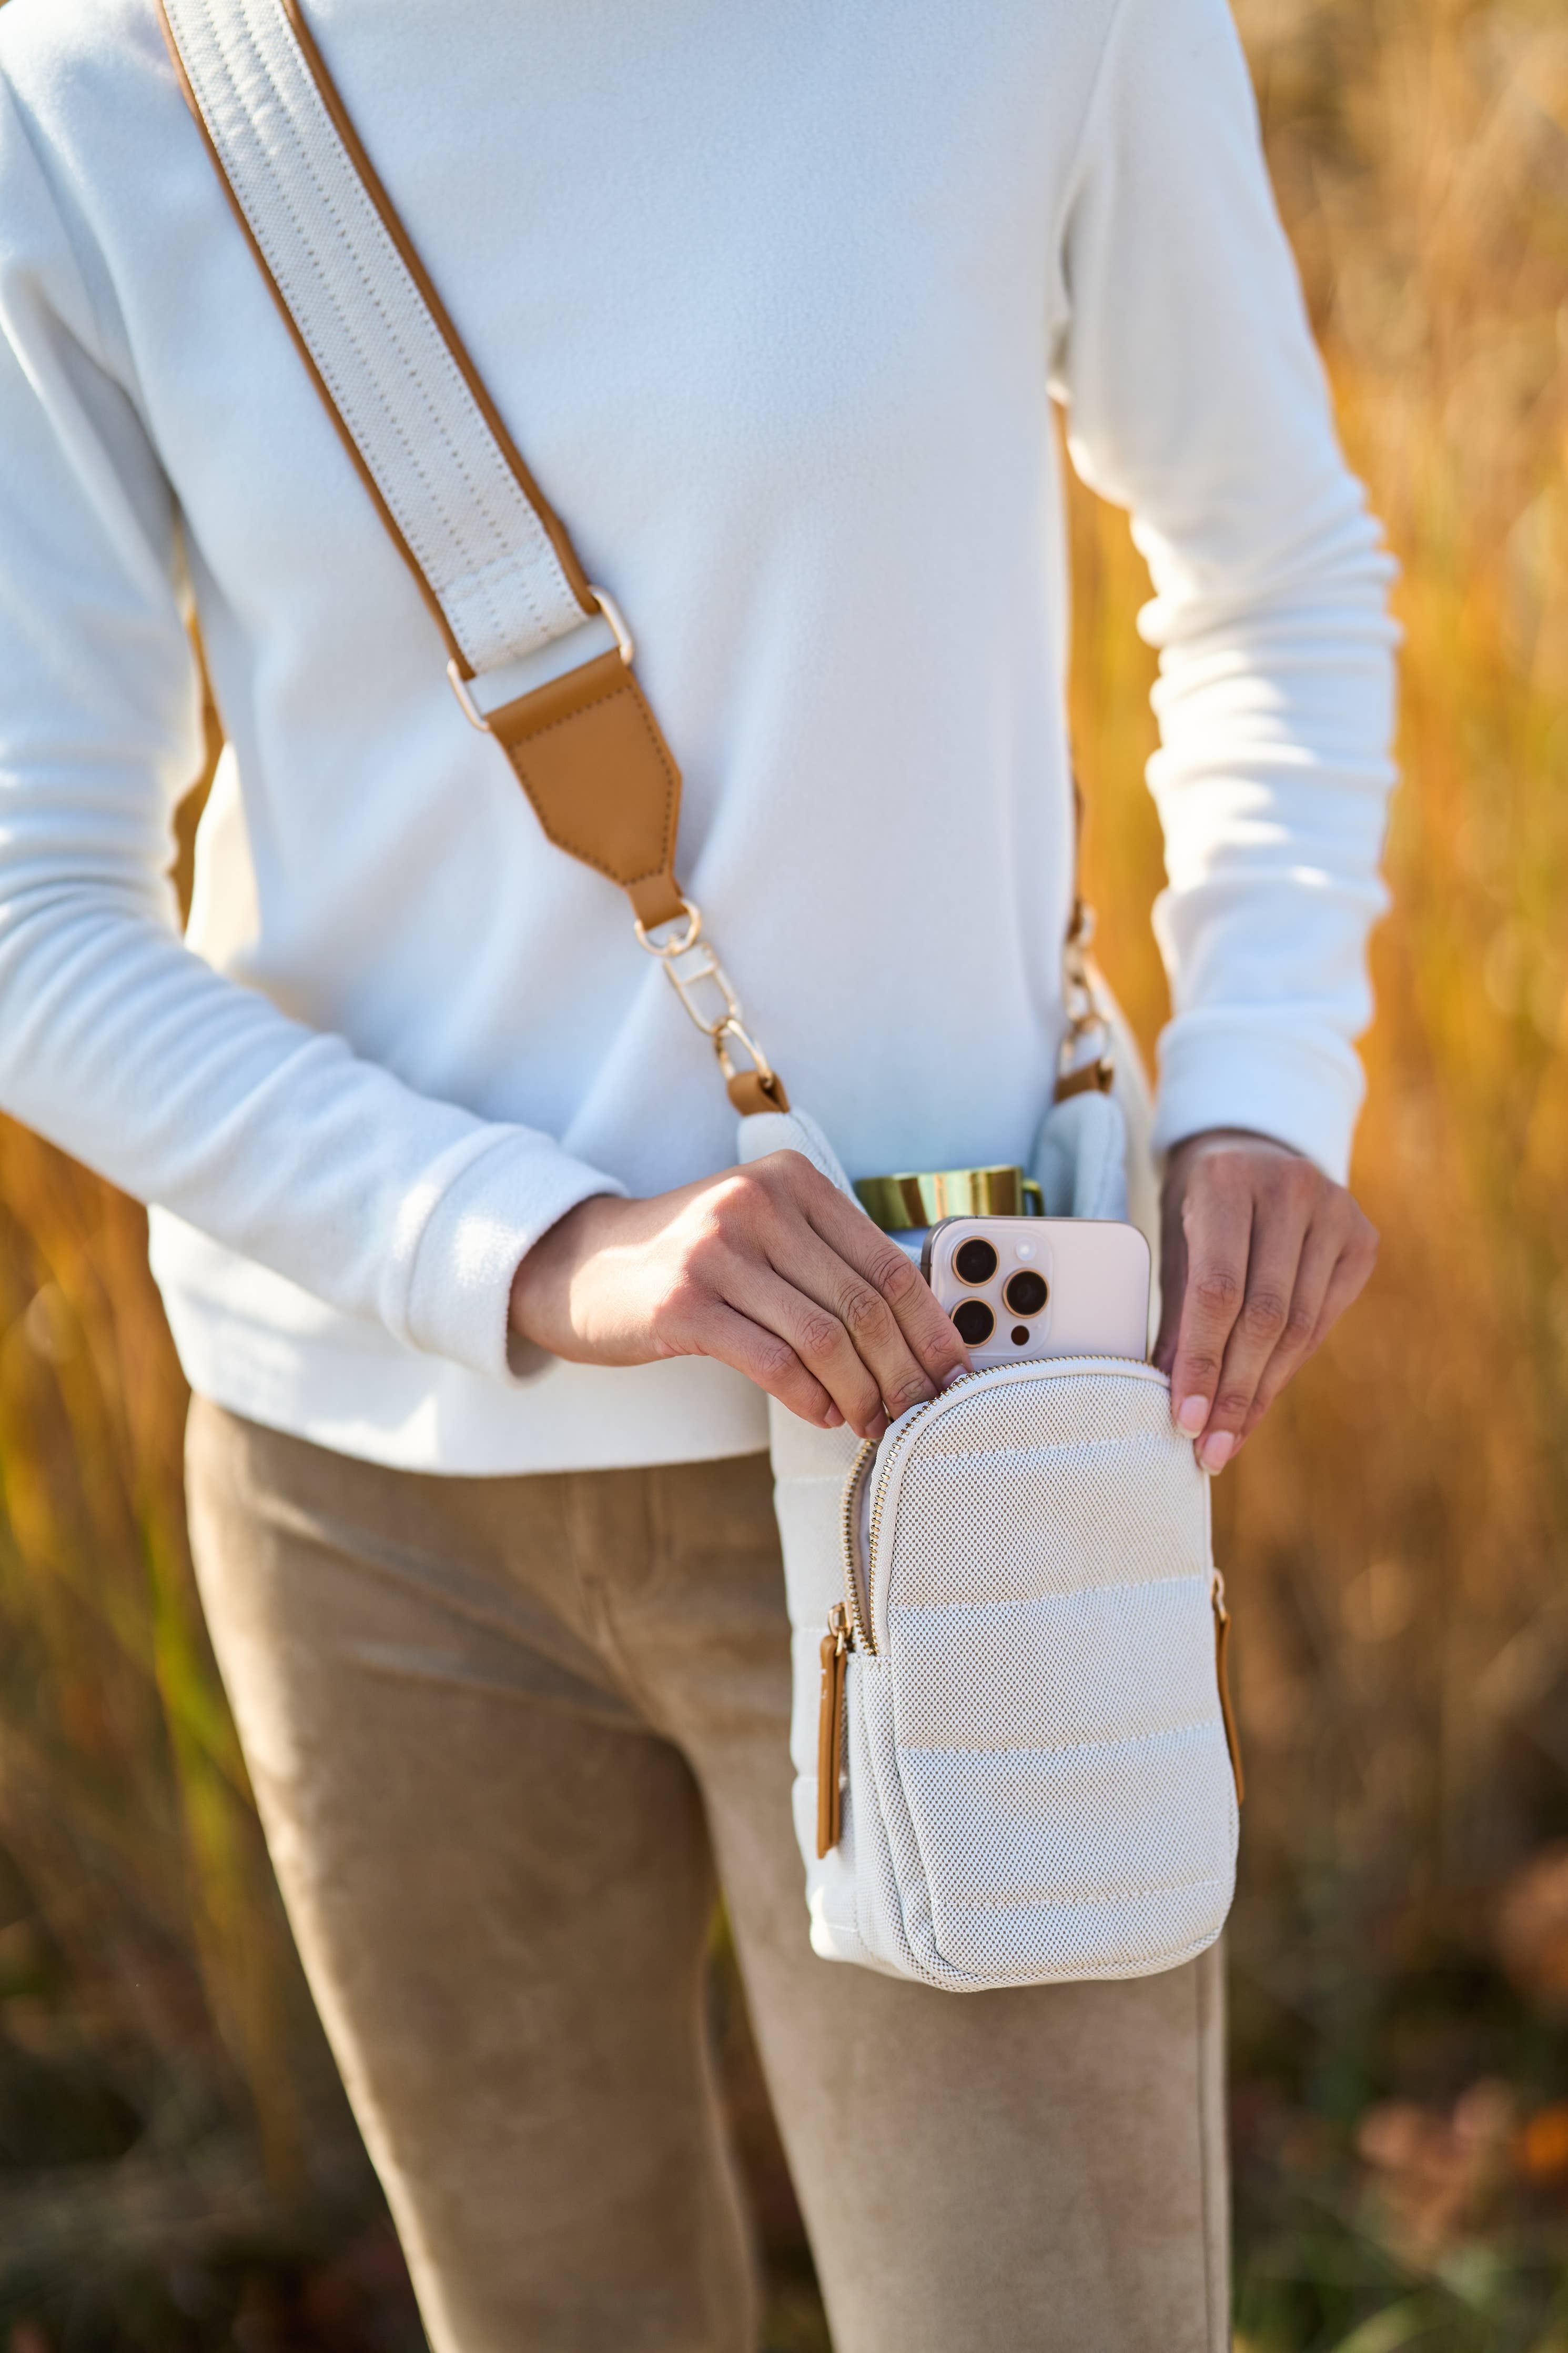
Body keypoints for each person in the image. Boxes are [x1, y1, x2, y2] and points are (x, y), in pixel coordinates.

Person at [0, 0, 1394, 2340]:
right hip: (372, 1513)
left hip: (952, 1452)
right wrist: (530, 1247)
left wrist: (1260, 1070)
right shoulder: (95, 67)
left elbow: (1264, 562)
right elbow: (31, 896)